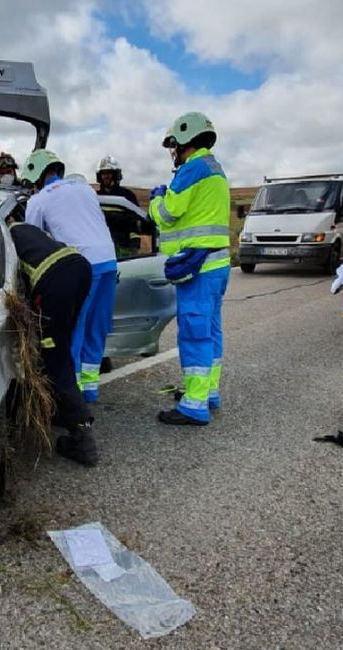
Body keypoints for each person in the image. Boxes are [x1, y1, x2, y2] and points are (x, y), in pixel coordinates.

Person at [148, 112, 231, 426]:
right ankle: (208, 391)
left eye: (174, 146)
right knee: (210, 331)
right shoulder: (215, 169)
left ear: (187, 140)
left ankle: (194, 405)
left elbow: (169, 213)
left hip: (198, 268)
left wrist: (156, 199)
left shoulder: (192, 168)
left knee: (194, 335)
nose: (173, 153)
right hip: (218, 265)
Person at [19, 149, 118, 404]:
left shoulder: (38, 200)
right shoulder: (84, 188)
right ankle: (90, 388)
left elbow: (31, 239)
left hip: (81, 266)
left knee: (73, 330)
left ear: (35, 175)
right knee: (96, 328)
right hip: (108, 261)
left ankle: (70, 397)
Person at [9, 222, 99, 466]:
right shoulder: (24, 228)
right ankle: (59, 409)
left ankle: (82, 436)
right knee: (60, 344)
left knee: (54, 356)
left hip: (54, 281)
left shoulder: (2, 236)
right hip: (79, 268)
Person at [96, 155, 143, 258]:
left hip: (124, 248)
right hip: (102, 247)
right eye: (103, 173)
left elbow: (135, 222)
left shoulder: (127, 196)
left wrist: (134, 246)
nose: (105, 176)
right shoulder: (96, 197)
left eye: (108, 173)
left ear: (116, 174)